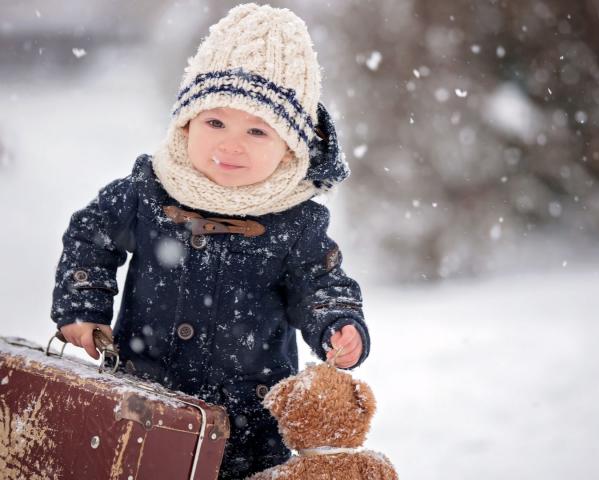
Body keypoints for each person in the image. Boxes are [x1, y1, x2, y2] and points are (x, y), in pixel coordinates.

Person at [50, 3, 370, 478]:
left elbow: (319, 283)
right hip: (143, 403)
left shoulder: (295, 221)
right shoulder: (150, 189)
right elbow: (91, 234)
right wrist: (82, 305)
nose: (230, 144)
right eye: (215, 122)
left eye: (257, 130)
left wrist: (337, 323)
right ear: (186, 123)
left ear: (290, 149)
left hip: (247, 425)